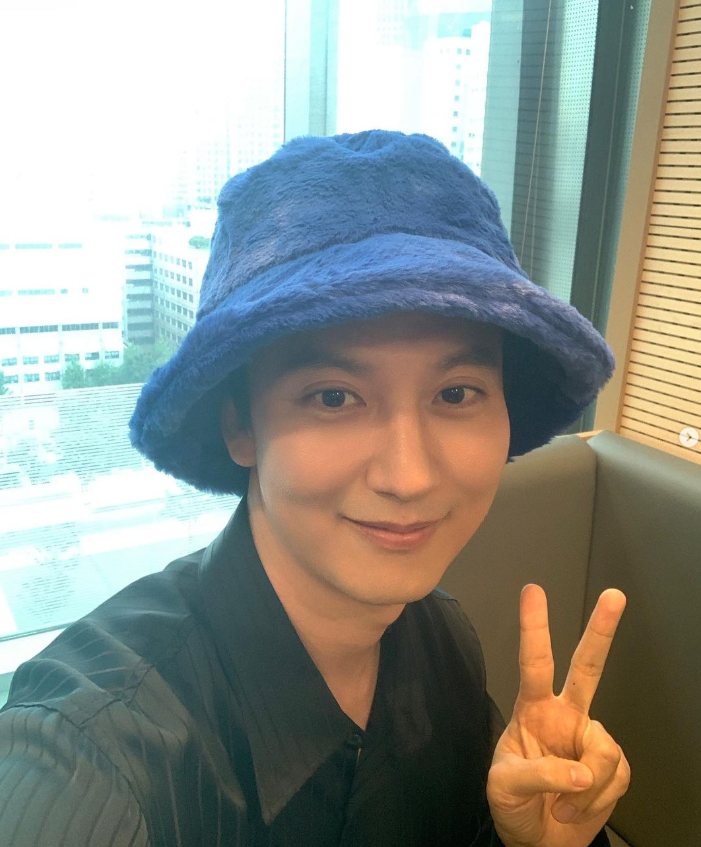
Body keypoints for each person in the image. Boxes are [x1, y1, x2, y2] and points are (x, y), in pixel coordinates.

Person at [0, 130, 629, 846]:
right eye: (334, 397)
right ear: (240, 424)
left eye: (456, 392)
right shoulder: (93, 758)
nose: (409, 476)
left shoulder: (439, 640)